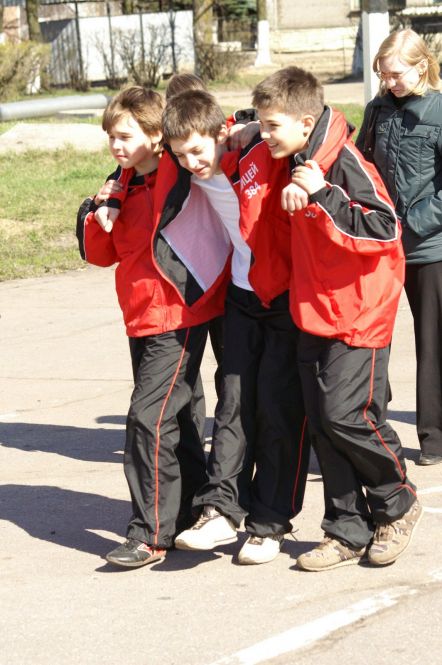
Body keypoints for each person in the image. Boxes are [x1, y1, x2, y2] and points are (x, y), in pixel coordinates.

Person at [251, 65, 421, 571]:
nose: (264, 135)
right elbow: (244, 129)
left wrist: (323, 194)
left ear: (305, 123)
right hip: (314, 309)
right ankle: (346, 529)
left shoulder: (343, 161)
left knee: (347, 416)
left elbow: (385, 228)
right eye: (261, 124)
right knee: (324, 426)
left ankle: (397, 500)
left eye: (271, 126)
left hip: (359, 313)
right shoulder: (296, 151)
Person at [76, 86, 231, 568]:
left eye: (125, 136)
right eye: (111, 137)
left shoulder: (173, 172)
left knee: (147, 418)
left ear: (156, 135)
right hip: (140, 315)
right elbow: (100, 255)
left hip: (178, 315)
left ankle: (149, 535)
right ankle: (188, 511)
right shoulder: (120, 185)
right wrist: (97, 212)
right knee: (177, 418)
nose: (116, 145)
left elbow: (216, 136)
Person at [163, 89, 310, 565]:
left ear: (219, 135)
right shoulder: (191, 168)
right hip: (242, 296)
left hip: (288, 298)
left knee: (277, 409)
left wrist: (249, 129)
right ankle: (221, 510)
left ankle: (270, 523)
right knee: (232, 403)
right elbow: (132, 156)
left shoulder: (252, 153)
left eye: (197, 150)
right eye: (180, 155)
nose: (191, 163)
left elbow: (320, 131)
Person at [356, 29, 442, 467]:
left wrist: (414, 223)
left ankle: (434, 438)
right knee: (371, 342)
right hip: (382, 246)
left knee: (432, 345)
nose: (388, 83)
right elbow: (359, 167)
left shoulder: (439, 111)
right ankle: (371, 428)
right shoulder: (377, 109)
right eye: (383, 75)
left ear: (421, 66)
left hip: (430, 248)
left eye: (395, 74)